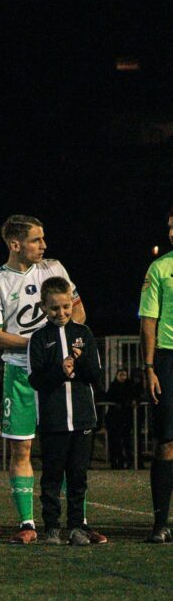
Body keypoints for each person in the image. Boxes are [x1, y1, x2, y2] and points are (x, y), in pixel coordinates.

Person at [0, 214, 84, 545]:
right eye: (36, 240)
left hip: (58, 375)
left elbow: (78, 310)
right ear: (15, 245)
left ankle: (75, 523)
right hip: (20, 374)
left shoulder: (54, 270)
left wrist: (64, 346)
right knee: (21, 449)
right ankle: (28, 523)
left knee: (66, 450)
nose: (44, 245)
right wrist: (41, 345)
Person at [27, 276, 107, 545]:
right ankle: (51, 527)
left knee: (78, 476)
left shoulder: (84, 334)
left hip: (83, 419)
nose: (60, 313)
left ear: (72, 304)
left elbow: (95, 374)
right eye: (54, 308)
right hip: (53, 421)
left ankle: (76, 527)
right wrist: (59, 370)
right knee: (51, 477)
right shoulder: (38, 339)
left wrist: (80, 363)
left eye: (65, 307)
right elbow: (35, 379)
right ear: (43, 308)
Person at [139, 208, 173, 542]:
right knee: (167, 441)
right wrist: (149, 367)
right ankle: (161, 523)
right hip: (168, 358)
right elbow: (148, 319)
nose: (172, 232)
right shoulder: (160, 268)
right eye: (170, 227)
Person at [104, 368, 137, 471]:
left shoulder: (129, 386)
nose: (122, 377)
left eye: (124, 375)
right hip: (115, 419)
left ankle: (126, 462)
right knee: (115, 442)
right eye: (120, 375)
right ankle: (116, 463)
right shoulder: (114, 386)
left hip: (125, 419)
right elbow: (109, 397)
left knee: (126, 441)